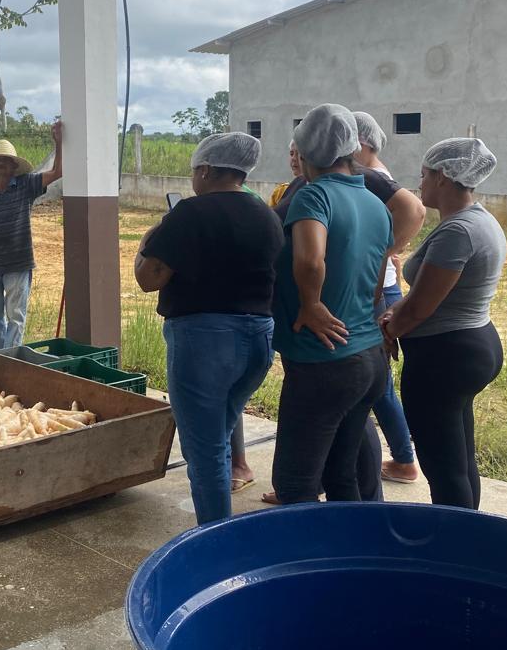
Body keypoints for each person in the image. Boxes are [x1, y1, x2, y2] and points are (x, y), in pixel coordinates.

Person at [135, 132, 283, 524]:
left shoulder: (189, 213)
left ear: (204, 169)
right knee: (219, 434)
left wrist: (149, 240)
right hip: (259, 340)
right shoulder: (266, 215)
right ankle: (220, 531)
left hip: (205, 342)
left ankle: (215, 538)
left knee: (204, 453)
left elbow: (148, 278)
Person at [266, 104, 393, 504]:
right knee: (341, 475)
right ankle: (350, 557)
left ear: (303, 156)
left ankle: (309, 563)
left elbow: (309, 257)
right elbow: (376, 281)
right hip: (368, 355)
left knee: (295, 482)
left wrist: (312, 304)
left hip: (325, 363)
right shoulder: (374, 203)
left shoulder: (313, 196)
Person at [380, 138, 507, 509]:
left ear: (444, 177)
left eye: (424, 175)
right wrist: (397, 310)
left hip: (445, 356)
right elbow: (431, 292)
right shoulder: (479, 220)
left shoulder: (457, 232)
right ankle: (469, 529)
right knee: (459, 455)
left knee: (444, 464)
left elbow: (422, 306)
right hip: (468, 345)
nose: (420, 184)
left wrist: (389, 330)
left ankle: (454, 543)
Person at [353, 110, 425, 484]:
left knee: (376, 379)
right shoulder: (379, 176)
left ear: (361, 145)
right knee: (377, 377)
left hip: (375, 287)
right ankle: (402, 456)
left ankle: (403, 457)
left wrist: (385, 252)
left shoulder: (373, 179)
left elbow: (414, 212)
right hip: (382, 283)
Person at [0, 122, 63, 350]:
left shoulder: (26, 185)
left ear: (14, 166)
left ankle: (11, 361)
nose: (1, 163)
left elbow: (57, 173)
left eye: (7, 160)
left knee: (16, 316)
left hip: (18, 262)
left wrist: (58, 143)